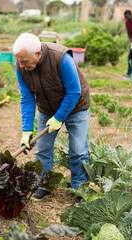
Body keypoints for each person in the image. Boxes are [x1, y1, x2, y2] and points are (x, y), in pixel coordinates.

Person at [13, 33, 90, 200]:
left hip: (76, 106)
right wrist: (26, 130)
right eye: (18, 61)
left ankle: (80, 188)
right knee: (43, 149)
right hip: (47, 108)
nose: (21, 65)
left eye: (24, 61)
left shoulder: (60, 58)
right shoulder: (21, 66)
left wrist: (59, 117)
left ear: (38, 54)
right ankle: (44, 185)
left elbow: (74, 91)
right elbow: (27, 97)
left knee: (78, 150)